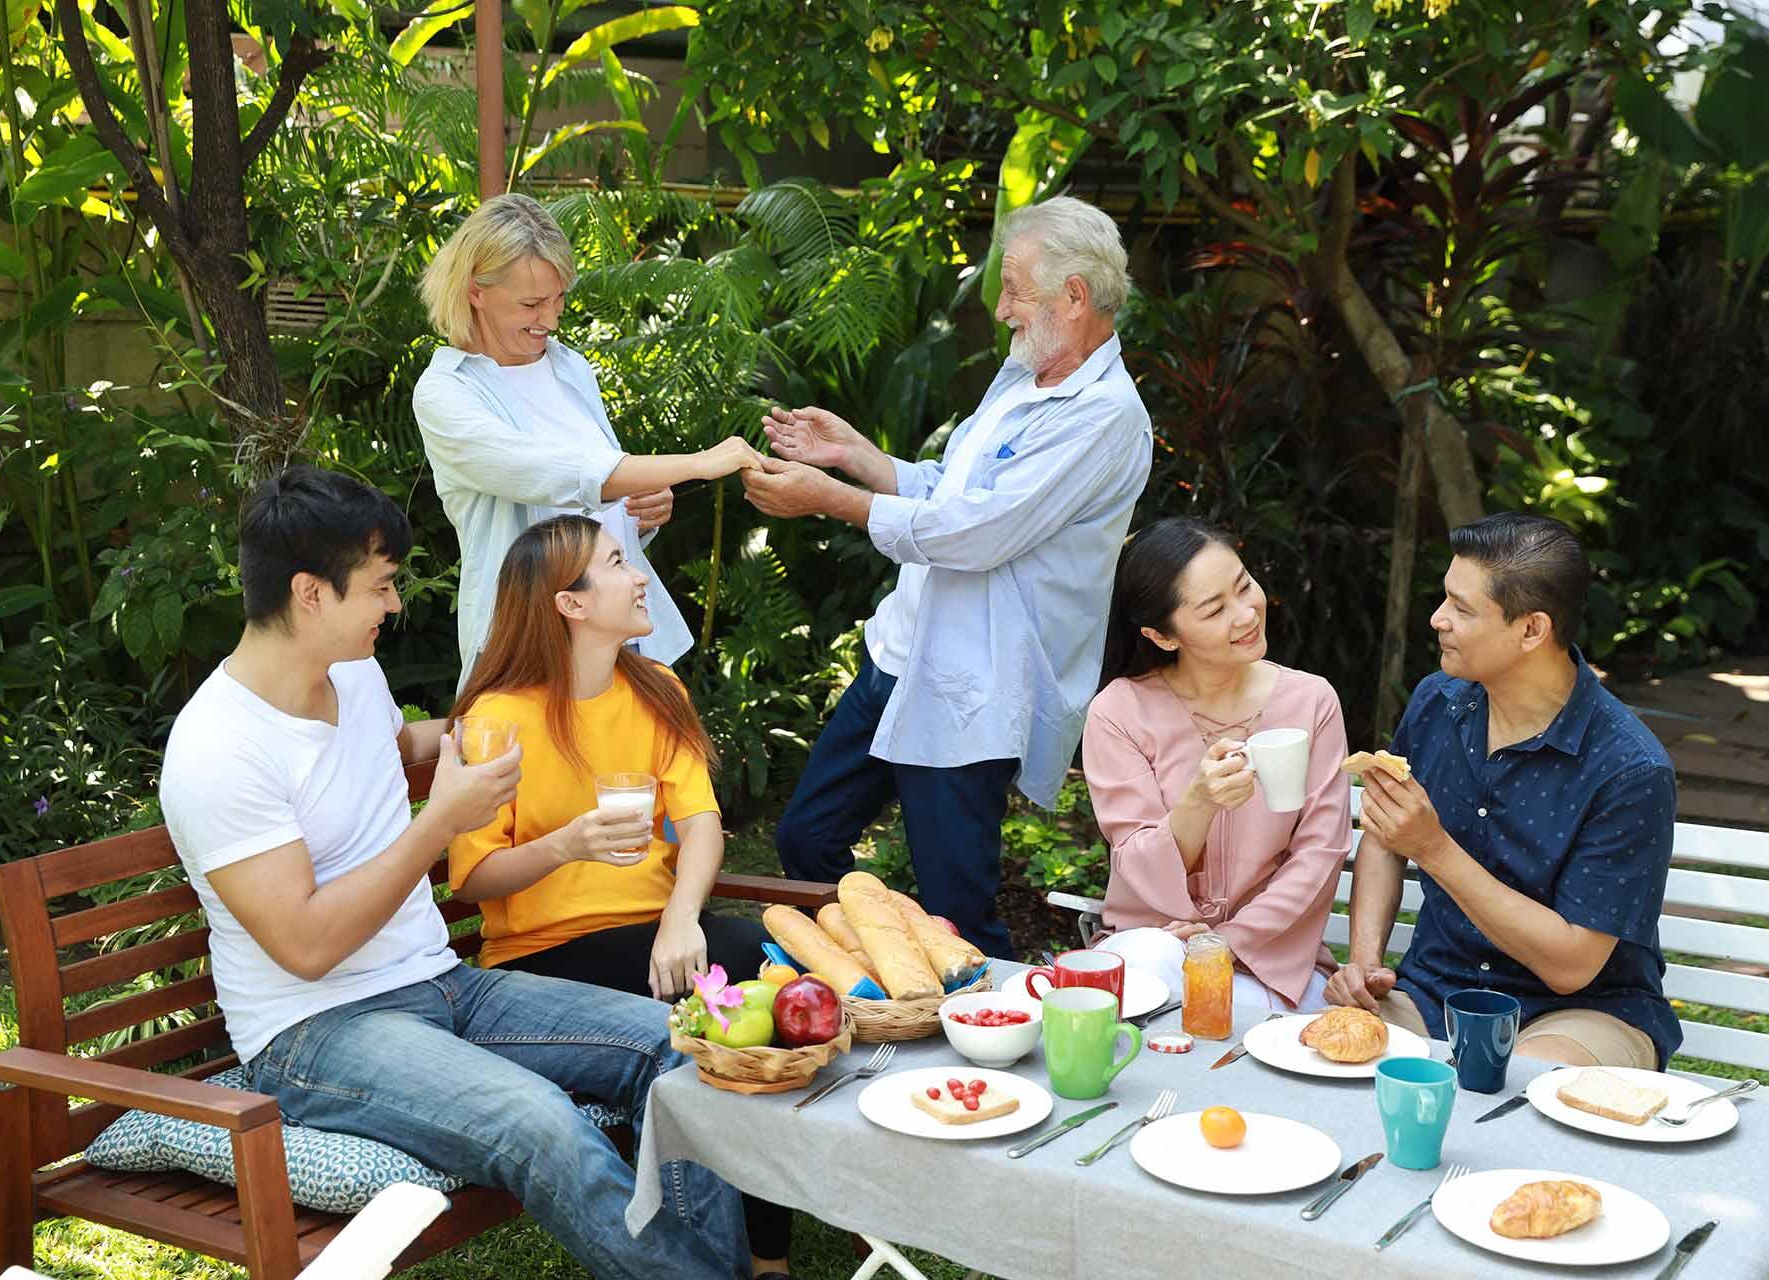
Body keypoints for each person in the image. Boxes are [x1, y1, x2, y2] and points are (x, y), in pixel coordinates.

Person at [157, 467, 749, 1280]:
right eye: (381, 587)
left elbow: (387, 750)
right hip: (317, 1031)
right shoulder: (218, 750)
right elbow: (305, 947)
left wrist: (493, 726)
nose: (396, 605)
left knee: (685, 1048)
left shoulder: (351, 677)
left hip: (443, 986)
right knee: (539, 1123)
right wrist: (440, 821)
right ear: (310, 594)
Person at [742, 195, 1152, 958]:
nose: (1000, 310)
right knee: (807, 840)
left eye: (1016, 291)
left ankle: (981, 1044)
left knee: (957, 907)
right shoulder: (1024, 376)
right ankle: (883, 975)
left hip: (973, 688)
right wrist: (857, 456)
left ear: (1075, 297)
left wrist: (832, 501)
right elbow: (954, 489)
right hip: (900, 656)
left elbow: (978, 533)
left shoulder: (1104, 416)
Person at [443, 513, 793, 1278]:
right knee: (741, 977)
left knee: (758, 964)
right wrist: (565, 844)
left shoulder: (657, 688)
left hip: (653, 937)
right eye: (616, 563)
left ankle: (767, 1253)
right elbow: (472, 880)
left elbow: (701, 822)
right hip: (543, 960)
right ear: (570, 605)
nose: (639, 577)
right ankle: (760, 1260)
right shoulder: (498, 718)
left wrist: (678, 920)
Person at [1327, 512, 1681, 1069]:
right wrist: (1365, 965)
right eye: (1445, 598)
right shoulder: (1436, 702)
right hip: (1435, 992)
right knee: (1335, 1051)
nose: (1437, 619)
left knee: (1522, 1081)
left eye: (1462, 609)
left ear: (1532, 629)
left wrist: (1434, 848)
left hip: (1581, 1012)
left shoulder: (1630, 770)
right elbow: (1385, 838)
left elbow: (1571, 965)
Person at [414, 193, 765, 690]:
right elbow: (553, 474)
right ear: (476, 291)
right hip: (533, 643)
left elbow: (604, 491)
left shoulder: (569, 367)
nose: (551, 319)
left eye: (558, 300)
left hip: (624, 638)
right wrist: (697, 464)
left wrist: (643, 510)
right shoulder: (446, 392)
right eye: (531, 303)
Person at [1080, 518, 1350, 1010]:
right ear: (1162, 636)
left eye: (1244, 585)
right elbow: (1136, 859)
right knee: (1159, 968)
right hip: (1154, 947)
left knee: (1236, 1009)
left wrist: (1225, 943)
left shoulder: (1311, 701)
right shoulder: (1118, 712)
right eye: (1214, 609)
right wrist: (1198, 803)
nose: (1246, 613)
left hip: (1270, 960)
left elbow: (1320, 852)